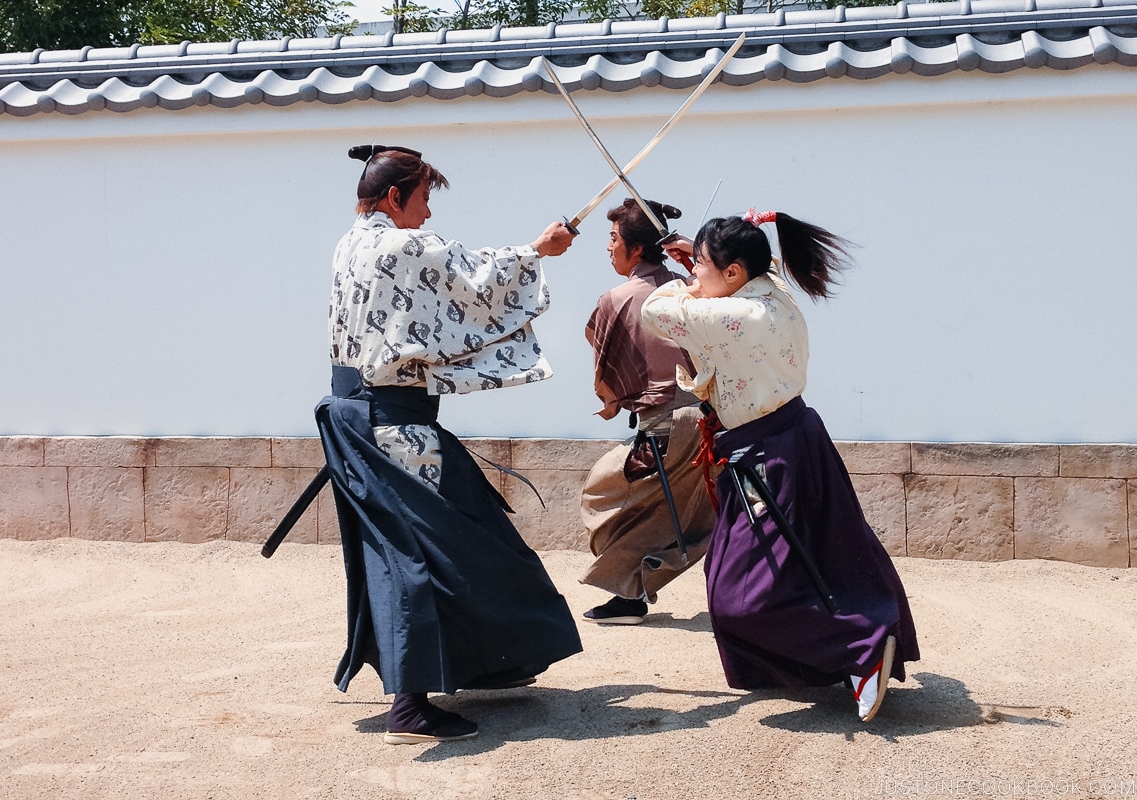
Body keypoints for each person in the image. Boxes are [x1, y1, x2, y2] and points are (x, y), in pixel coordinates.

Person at [323, 144, 583, 744]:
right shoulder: (402, 245)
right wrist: (538, 250)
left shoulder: (349, 243)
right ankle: (411, 706)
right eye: (423, 200)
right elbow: (472, 275)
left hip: (358, 420)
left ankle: (447, 676)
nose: (427, 214)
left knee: (407, 555)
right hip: (397, 430)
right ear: (394, 198)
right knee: (437, 556)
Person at [642, 209, 919, 722]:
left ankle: (860, 648)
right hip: (795, 437)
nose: (695, 272)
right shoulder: (772, 292)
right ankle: (831, 660)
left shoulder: (737, 316)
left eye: (703, 264)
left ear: (734, 274)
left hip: (764, 457)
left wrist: (686, 281)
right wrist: (699, 262)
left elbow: (656, 311)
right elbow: (737, 275)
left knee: (739, 594)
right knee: (819, 558)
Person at [578, 198, 716, 625]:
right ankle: (632, 590)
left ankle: (629, 594)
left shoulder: (617, 299)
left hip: (665, 426)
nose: (608, 247)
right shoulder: (691, 287)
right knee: (682, 511)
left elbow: (605, 362)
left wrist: (619, 397)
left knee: (601, 499)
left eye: (614, 238)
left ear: (636, 249)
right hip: (710, 420)